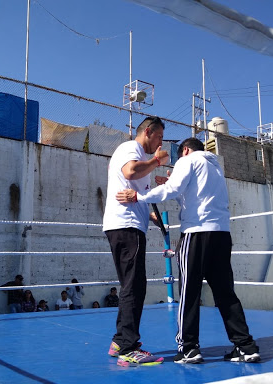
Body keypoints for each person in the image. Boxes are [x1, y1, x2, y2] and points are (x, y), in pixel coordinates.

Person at [117, 137, 260, 364]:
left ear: (185, 149)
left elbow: (171, 190)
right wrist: (174, 185)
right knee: (225, 293)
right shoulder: (214, 167)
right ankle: (246, 346)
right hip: (221, 234)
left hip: (196, 234)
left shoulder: (187, 160)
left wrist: (139, 196)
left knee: (189, 293)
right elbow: (194, 197)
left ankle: (189, 348)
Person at [103, 116, 169, 367]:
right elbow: (130, 171)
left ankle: (120, 340)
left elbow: (134, 188)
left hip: (127, 225)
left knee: (132, 285)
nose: (160, 143)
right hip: (126, 226)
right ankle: (128, 347)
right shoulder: (133, 149)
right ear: (148, 132)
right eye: (160, 137)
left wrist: (149, 214)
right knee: (134, 286)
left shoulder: (138, 155)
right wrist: (156, 161)